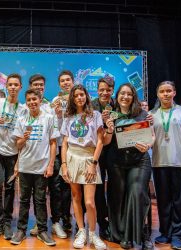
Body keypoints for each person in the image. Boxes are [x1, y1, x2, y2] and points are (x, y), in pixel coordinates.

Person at [105, 83, 154, 249]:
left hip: (139, 160)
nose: (125, 97)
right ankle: (121, 234)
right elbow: (105, 141)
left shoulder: (142, 114)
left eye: (129, 94)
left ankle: (141, 234)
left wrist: (148, 145)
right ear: (117, 96)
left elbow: (152, 136)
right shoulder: (110, 115)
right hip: (116, 162)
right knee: (117, 198)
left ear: (133, 97)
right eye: (122, 93)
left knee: (137, 193)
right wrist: (109, 129)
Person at [60, 85, 107, 249]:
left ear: (86, 96)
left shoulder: (95, 115)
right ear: (72, 99)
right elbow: (64, 143)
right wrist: (64, 165)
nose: (79, 98)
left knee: (90, 202)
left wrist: (93, 164)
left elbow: (100, 141)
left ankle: (93, 234)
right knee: (76, 197)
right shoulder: (68, 117)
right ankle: (81, 231)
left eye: (82, 95)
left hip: (89, 158)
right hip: (72, 157)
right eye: (76, 96)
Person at [10, 89, 59, 246]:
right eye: (29, 100)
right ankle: (21, 231)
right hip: (25, 167)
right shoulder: (22, 119)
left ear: (40, 100)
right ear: (26, 102)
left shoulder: (49, 118)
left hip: (42, 167)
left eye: (34, 99)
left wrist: (51, 165)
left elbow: (53, 143)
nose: (32, 102)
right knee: (23, 200)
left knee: (40, 200)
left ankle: (42, 230)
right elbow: (17, 145)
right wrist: (23, 139)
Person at [150, 81, 181, 250]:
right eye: (162, 91)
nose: (166, 94)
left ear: (174, 92)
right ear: (158, 94)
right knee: (163, 200)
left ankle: (178, 234)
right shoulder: (151, 114)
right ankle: (166, 232)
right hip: (159, 162)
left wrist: (178, 150)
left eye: (169, 91)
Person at [28, 73, 67, 239]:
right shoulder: (27, 106)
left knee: (56, 190)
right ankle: (40, 221)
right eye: (36, 84)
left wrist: (58, 115)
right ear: (30, 87)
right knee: (38, 192)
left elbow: (59, 131)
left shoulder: (52, 105)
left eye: (41, 85)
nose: (39, 87)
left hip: (53, 154)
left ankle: (56, 222)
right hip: (36, 156)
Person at [0, 73, 26, 241]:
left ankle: (7, 223)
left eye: (15, 85)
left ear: (20, 87)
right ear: (6, 86)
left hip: (13, 152)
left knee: (10, 188)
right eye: (10, 84)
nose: (12, 87)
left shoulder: (23, 108)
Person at [90, 76, 115, 239]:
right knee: (98, 190)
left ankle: (116, 222)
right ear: (97, 90)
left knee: (115, 187)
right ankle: (102, 223)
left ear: (112, 90)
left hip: (115, 152)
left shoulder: (118, 104)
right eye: (102, 89)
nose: (105, 92)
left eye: (108, 90)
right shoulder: (91, 105)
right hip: (97, 151)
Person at [52, 70, 75, 233]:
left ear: (73, 81)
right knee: (56, 186)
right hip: (60, 147)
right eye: (62, 81)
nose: (65, 83)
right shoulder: (55, 100)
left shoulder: (79, 98)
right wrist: (59, 115)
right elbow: (55, 125)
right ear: (59, 84)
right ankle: (56, 219)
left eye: (68, 80)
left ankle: (67, 217)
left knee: (69, 186)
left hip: (75, 148)